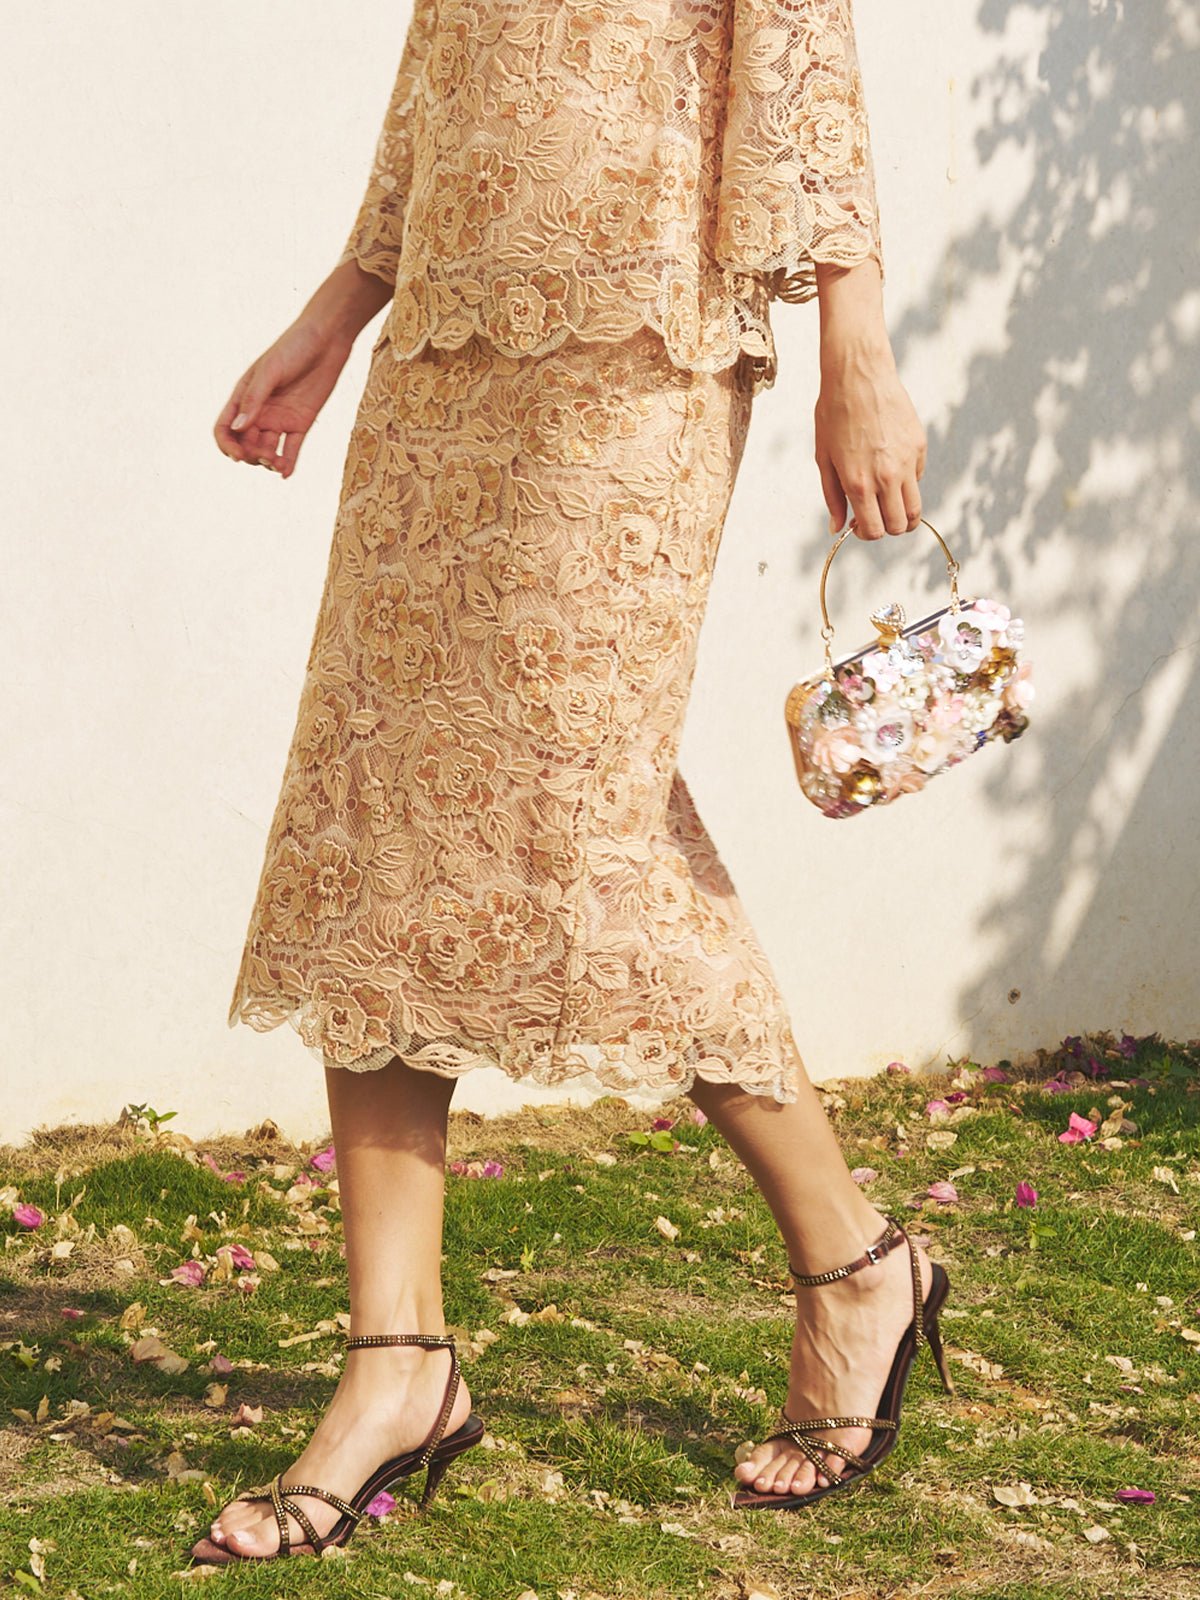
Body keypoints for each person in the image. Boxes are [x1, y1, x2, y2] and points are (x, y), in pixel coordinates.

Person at [193, 0, 948, 1566]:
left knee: (580, 818)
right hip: (443, 349)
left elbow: (803, 50)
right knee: (378, 810)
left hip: (641, 345)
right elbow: (445, 66)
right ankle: (395, 1360)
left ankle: (857, 1260)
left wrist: (854, 348)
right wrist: (337, 316)